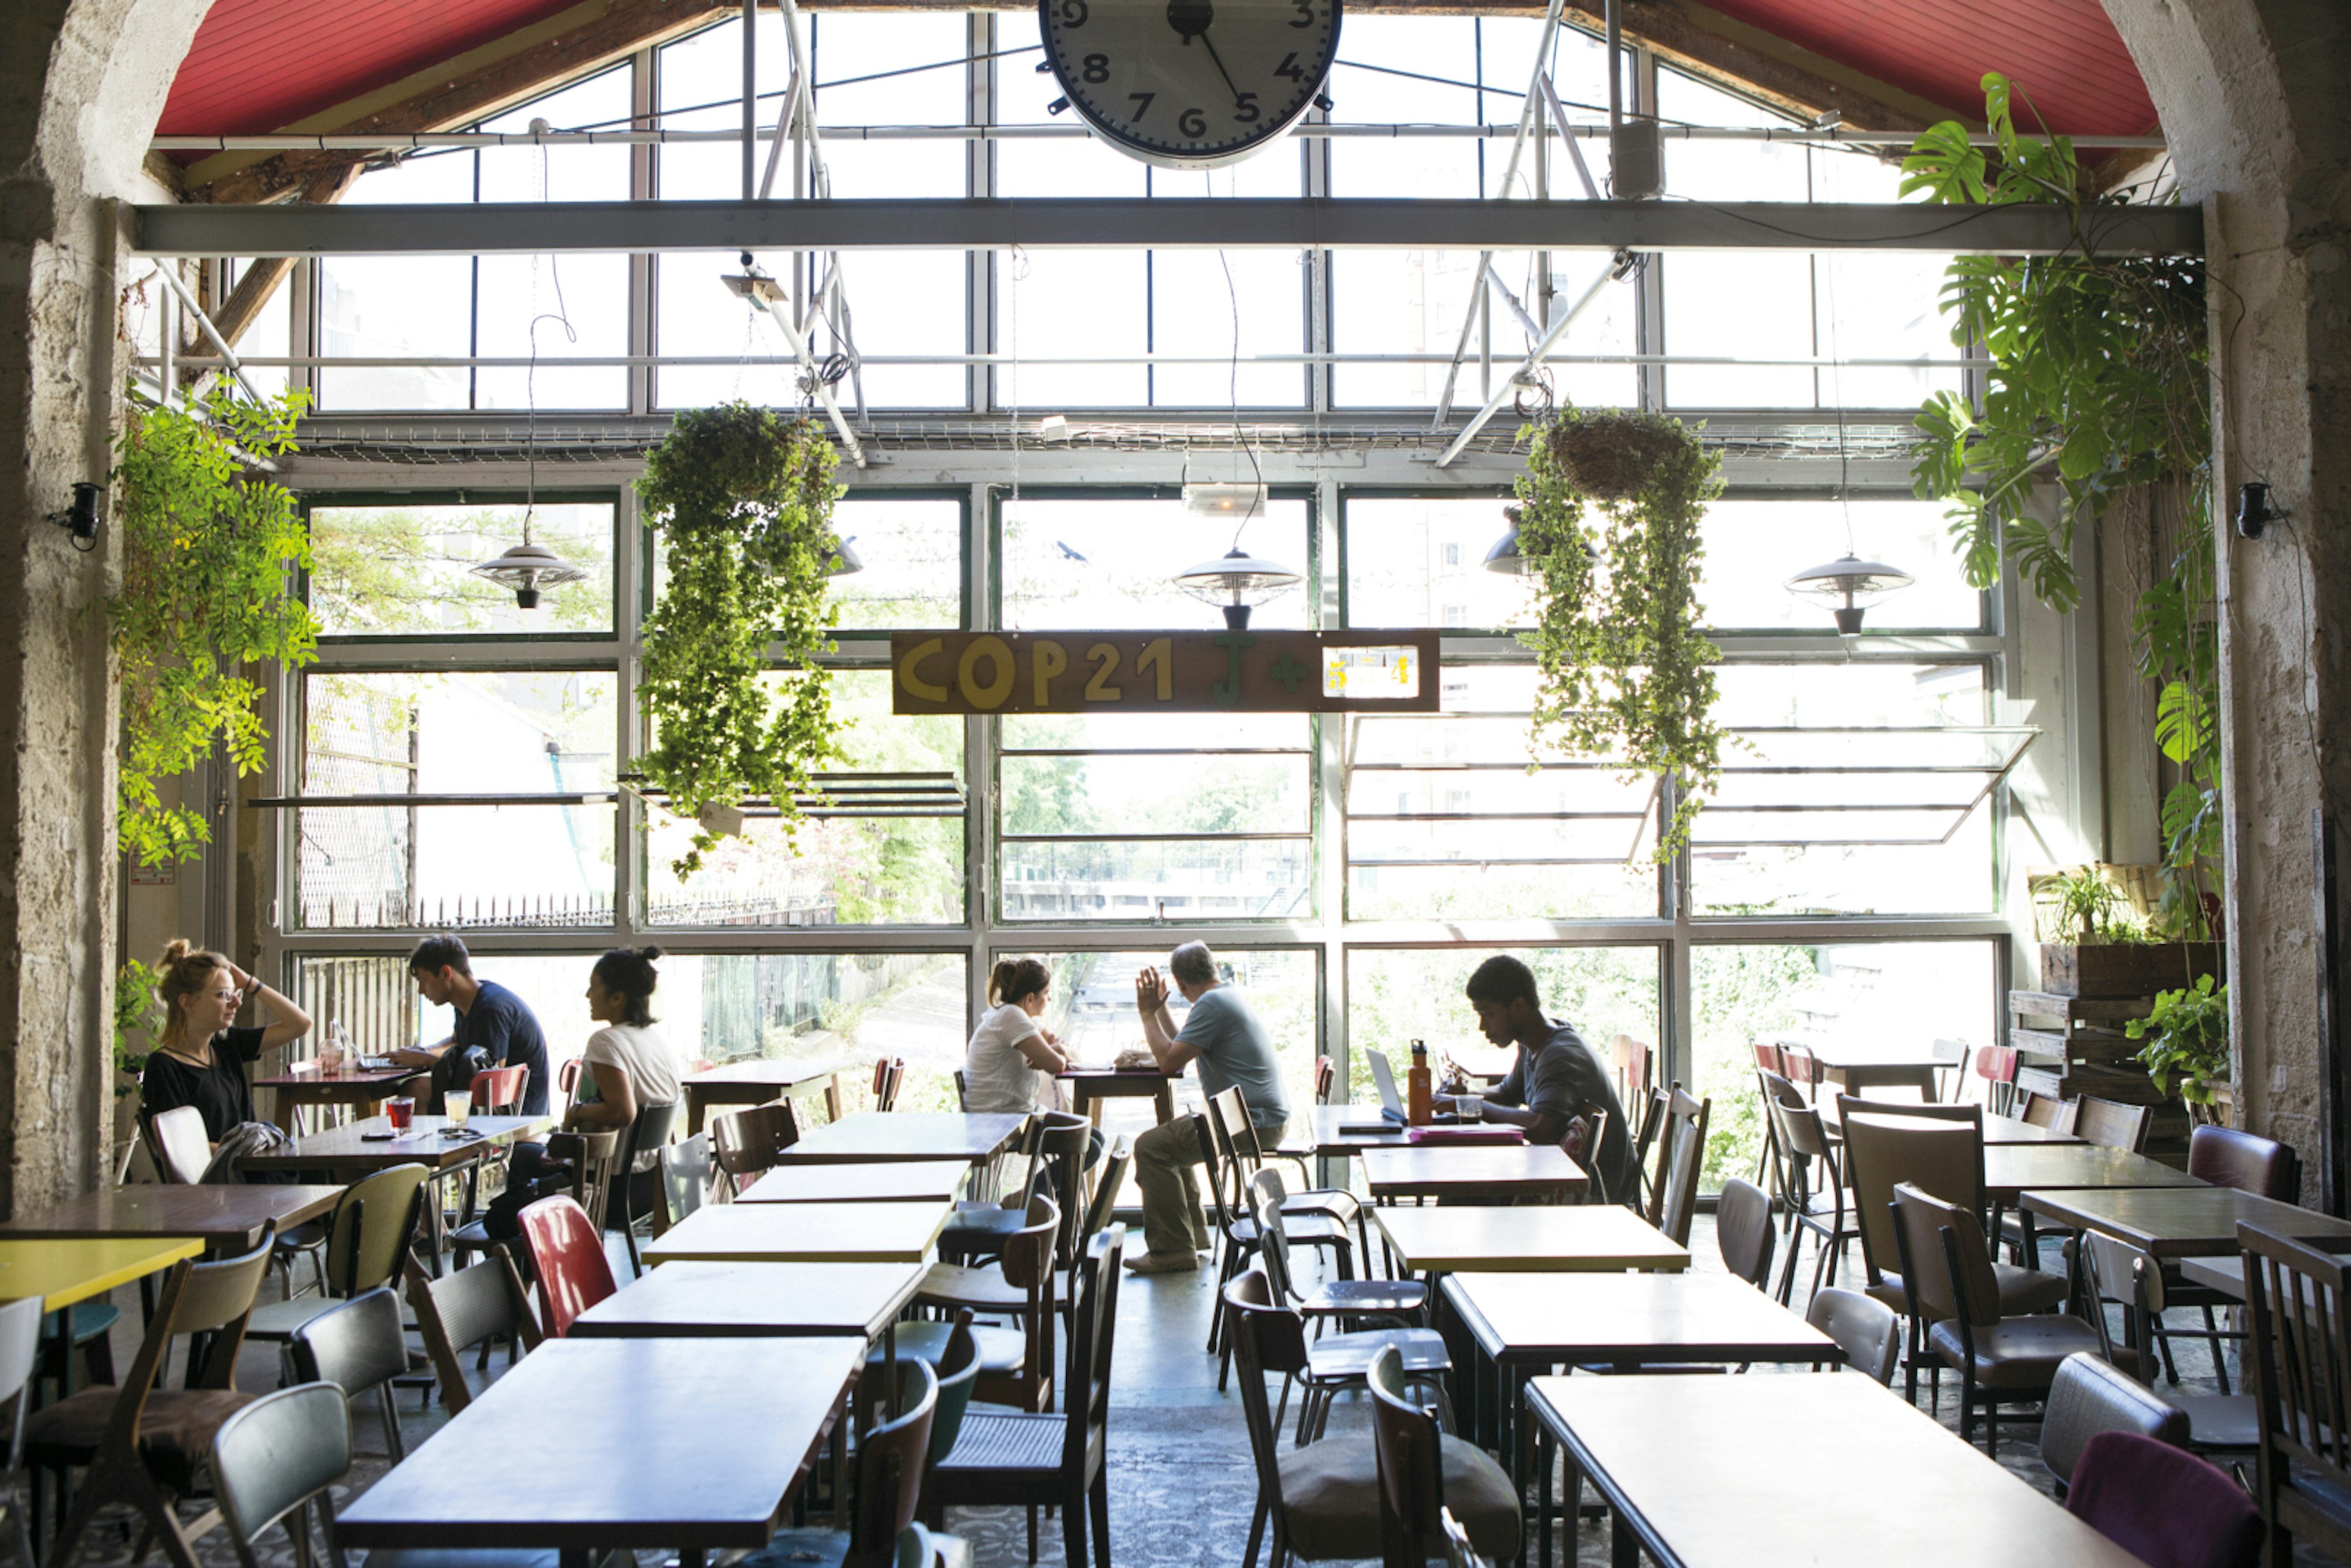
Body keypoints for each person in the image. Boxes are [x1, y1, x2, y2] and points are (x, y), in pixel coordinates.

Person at [1127, 941, 1291, 1275]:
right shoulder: (1223, 996)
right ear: (1212, 968)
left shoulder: (1212, 1005)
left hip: (1253, 1123)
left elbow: (1168, 1061)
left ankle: (1172, 1250)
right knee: (1171, 1141)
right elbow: (1181, 1045)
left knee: (1151, 1148)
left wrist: (1146, 1014)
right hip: (1258, 1119)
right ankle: (1192, 1237)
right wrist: (1159, 1011)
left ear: (1181, 984)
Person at [1452, 955, 1637, 1202]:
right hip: (1571, 1179)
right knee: (1463, 1190)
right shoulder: (1534, 1044)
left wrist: (1473, 1106)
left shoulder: (1559, 1056)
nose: (1482, 1026)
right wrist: (1462, 1096)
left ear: (1518, 1006)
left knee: (1463, 1193)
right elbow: (1507, 1094)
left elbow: (1540, 1127)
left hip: (1597, 1195)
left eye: (1488, 1014)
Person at [139, 940, 313, 1142]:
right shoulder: (164, 1067)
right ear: (186, 1002)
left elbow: (300, 1024)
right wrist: (244, 1154)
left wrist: (250, 983)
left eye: (235, 993)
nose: (237, 1002)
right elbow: (182, 1150)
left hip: (252, 1164)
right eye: (223, 995)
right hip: (225, 1171)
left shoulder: (227, 1044)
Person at [962, 957, 1104, 1166]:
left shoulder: (1024, 1019)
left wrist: (1060, 1050)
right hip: (997, 1124)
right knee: (1087, 1144)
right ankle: (1025, 1199)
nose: (1050, 1000)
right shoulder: (1011, 1017)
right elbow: (1056, 1065)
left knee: (1094, 1138)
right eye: (1046, 994)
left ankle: (1033, 1197)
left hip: (1013, 1118)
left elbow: (1071, 1056)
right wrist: (1053, 1054)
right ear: (1030, 998)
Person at [394, 935, 550, 1116]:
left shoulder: (491, 1010)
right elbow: (455, 1042)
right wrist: (423, 1052)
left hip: (516, 1111)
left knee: (416, 1091)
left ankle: (429, 1144)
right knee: (416, 1088)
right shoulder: (468, 1002)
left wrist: (427, 1060)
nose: (421, 991)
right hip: (498, 1099)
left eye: (424, 981)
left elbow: (488, 1080)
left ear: (446, 973)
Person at [560, 946, 681, 1173]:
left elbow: (622, 1112)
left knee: (523, 1159)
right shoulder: (656, 1041)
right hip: (650, 1181)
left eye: (593, 988)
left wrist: (575, 1112)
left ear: (616, 998)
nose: (588, 995)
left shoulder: (606, 1042)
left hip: (606, 1180)